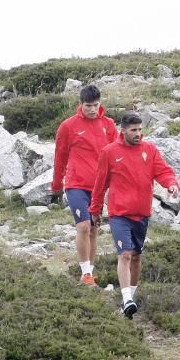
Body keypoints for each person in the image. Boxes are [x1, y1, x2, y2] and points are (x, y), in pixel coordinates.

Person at [89, 113, 180, 318]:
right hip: (119, 214)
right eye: (133, 130)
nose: (138, 134)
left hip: (142, 213)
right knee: (125, 254)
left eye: (140, 130)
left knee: (137, 257)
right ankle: (126, 298)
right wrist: (94, 210)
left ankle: (130, 300)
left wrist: (172, 184)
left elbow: (163, 171)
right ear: (123, 131)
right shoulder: (109, 152)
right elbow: (100, 184)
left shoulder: (150, 150)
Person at [51, 84, 118, 287]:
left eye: (95, 105)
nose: (92, 109)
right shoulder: (68, 126)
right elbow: (60, 157)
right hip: (76, 184)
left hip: (99, 187)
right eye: (88, 105)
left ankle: (90, 272)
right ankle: (85, 273)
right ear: (80, 104)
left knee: (93, 230)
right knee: (83, 225)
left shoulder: (108, 125)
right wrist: (56, 184)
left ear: (100, 103)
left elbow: (118, 153)